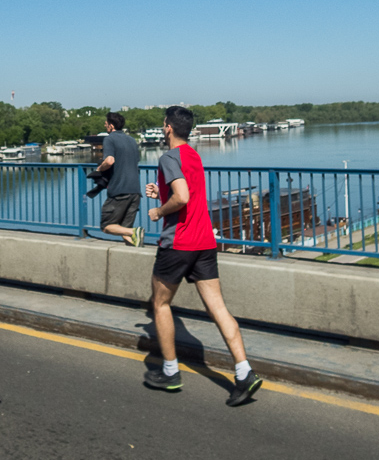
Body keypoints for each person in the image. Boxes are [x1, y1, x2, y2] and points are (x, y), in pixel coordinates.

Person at [142, 106, 263, 406]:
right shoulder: (194, 156)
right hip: (205, 242)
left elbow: (181, 197)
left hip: (179, 243)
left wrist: (158, 210)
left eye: (163, 124)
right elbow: (188, 194)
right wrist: (161, 193)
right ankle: (244, 371)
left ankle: (170, 371)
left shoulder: (169, 157)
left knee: (159, 304)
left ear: (168, 127)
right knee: (218, 308)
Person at [97, 112, 143, 247]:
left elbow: (110, 161)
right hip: (135, 191)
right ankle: (135, 251)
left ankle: (135, 231)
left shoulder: (110, 139)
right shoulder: (131, 140)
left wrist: (100, 169)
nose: (105, 125)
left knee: (106, 226)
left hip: (119, 191)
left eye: (106, 123)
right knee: (124, 230)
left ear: (111, 126)